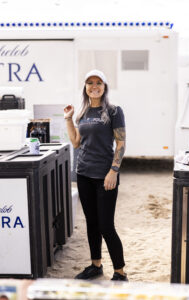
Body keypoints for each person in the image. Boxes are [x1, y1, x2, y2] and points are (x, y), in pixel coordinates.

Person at [64, 69, 127, 281]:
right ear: (85, 87)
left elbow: (120, 143)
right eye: (90, 82)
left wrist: (113, 171)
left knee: (106, 225)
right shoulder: (83, 113)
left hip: (105, 175)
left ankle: (120, 272)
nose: (94, 86)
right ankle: (96, 265)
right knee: (92, 222)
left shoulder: (114, 111)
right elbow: (75, 142)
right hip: (84, 174)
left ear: (104, 86)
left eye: (98, 82)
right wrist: (69, 119)